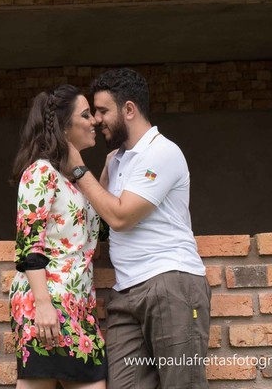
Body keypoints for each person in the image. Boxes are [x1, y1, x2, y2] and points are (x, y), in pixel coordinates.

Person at [65, 67, 210, 389]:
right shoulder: (116, 159)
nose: (97, 119)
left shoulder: (162, 152)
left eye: (102, 110)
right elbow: (99, 218)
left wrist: (77, 167)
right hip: (126, 292)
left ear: (129, 109)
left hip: (170, 282)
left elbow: (121, 217)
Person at [9, 84, 107, 389]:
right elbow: (30, 246)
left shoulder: (76, 182)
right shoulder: (41, 172)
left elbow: (100, 237)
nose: (95, 122)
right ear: (65, 128)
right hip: (47, 302)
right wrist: (43, 305)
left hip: (80, 305)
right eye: (86, 114)